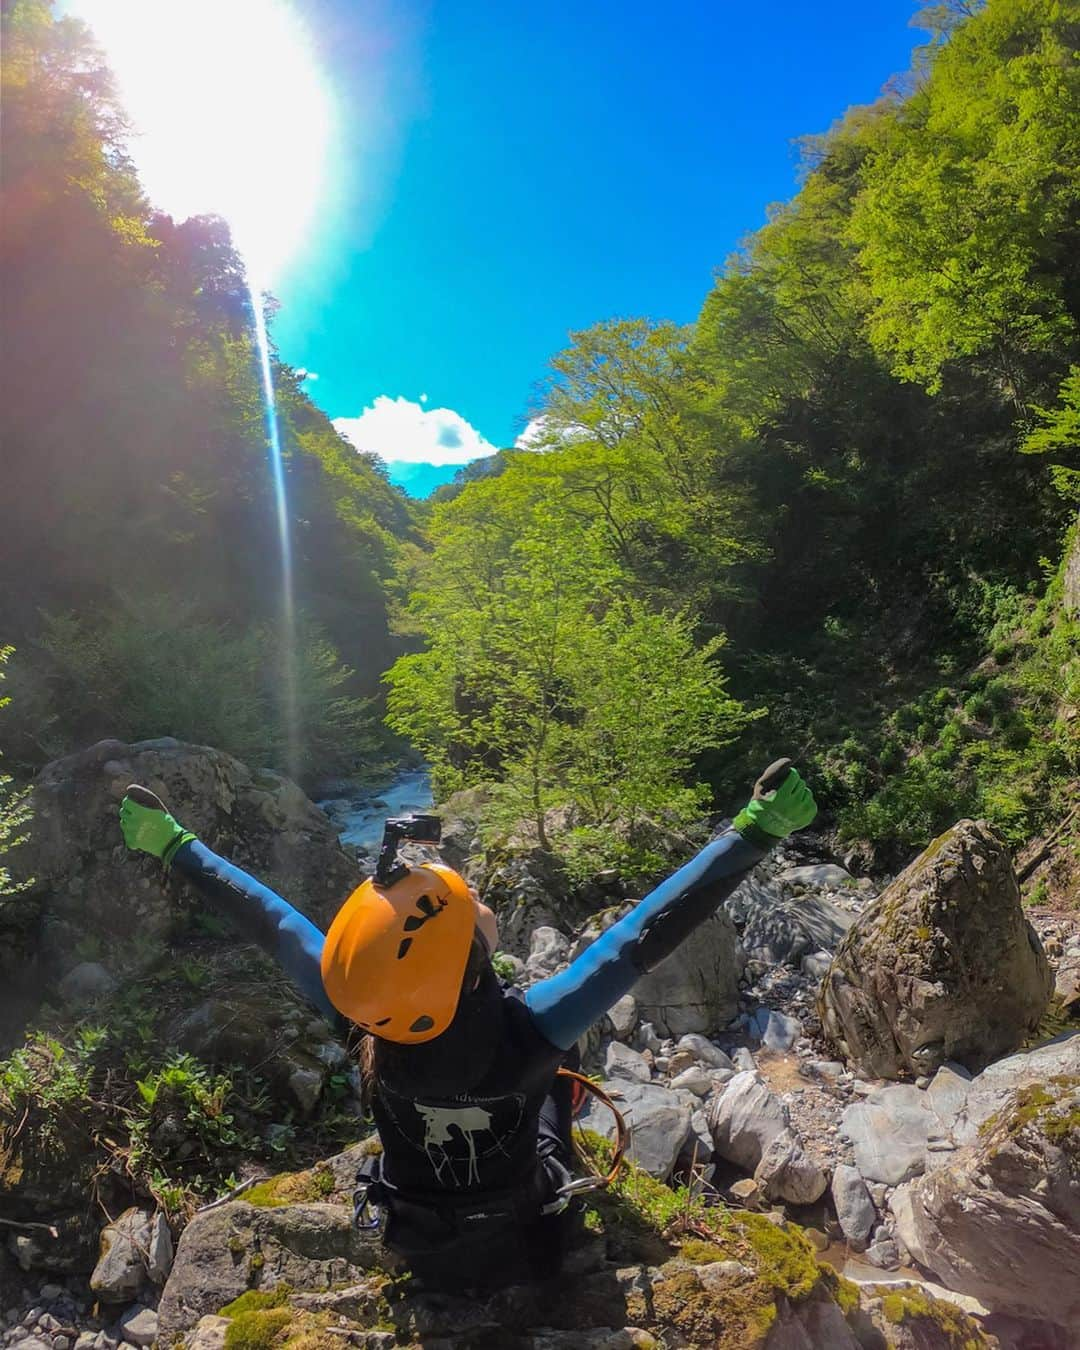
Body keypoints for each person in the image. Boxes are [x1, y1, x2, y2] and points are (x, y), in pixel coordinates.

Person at [118, 760, 816, 1288]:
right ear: (469, 958)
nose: (476, 895)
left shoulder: (359, 1009)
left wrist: (176, 845)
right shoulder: (533, 1029)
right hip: (524, 1235)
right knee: (553, 1091)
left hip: (417, 1241)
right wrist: (754, 832)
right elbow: (643, 933)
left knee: (541, 1086)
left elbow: (270, 920)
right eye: (467, 900)